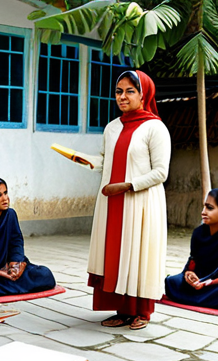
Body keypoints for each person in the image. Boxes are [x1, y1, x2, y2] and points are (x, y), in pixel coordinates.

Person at [69, 70, 171, 330]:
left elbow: (161, 172)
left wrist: (127, 186)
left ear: (143, 94)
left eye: (130, 91)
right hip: (111, 200)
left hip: (141, 202)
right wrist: (86, 160)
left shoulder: (155, 128)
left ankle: (141, 312)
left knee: (138, 254)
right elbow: (107, 160)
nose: (122, 97)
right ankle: (122, 310)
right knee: (115, 253)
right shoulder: (112, 127)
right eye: (118, 91)